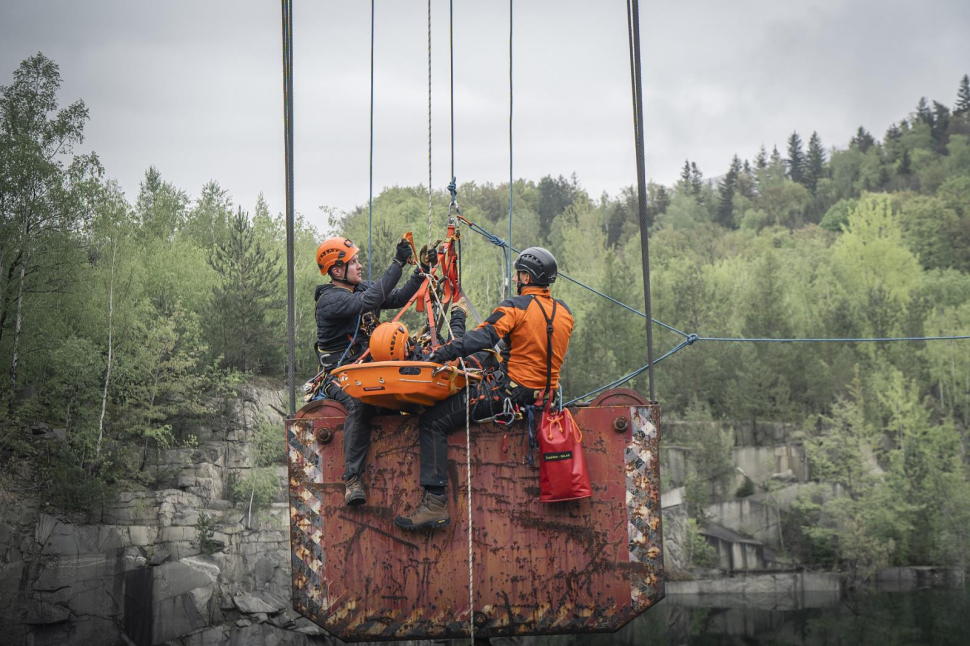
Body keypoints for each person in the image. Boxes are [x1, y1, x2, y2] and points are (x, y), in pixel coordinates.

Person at [394, 247, 574, 530]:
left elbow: (483, 336)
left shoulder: (515, 307)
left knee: (432, 420)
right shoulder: (565, 312)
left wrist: (442, 353)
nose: (517, 279)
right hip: (545, 396)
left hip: (509, 395)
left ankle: (435, 504)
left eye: (519, 274)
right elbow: (534, 346)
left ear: (526, 276)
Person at [314, 235, 434, 506]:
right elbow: (370, 301)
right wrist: (397, 263)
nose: (359, 266)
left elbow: (399, 296)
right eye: (353, 262)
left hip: (367, 371)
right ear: (336, 271)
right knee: (360, 402)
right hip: (339, 375)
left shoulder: (360, 289)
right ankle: (352, 478)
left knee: (409, 395)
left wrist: (419, 271)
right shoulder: (330, 300)